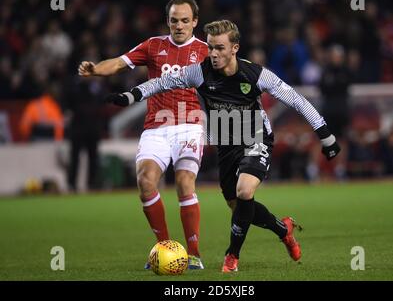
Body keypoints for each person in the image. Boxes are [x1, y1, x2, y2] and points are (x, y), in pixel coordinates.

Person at [105, 20, 340, 272]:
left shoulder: (255, 74)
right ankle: (283, 229)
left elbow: (297, 100)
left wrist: (326, 137)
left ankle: (232, 256)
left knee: (245, 190)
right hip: (226, 142)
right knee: (238, 205)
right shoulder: (199, 72)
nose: (213, 54)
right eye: (210, 47)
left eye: (219, 48)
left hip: (255, 136)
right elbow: (161, 83)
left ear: (235, 48)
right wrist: (130, 96)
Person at [78, 0, 208, 269]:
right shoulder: (153, 46)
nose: (179, 26)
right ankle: (165, 248)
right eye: (174, 20)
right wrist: (96, 70)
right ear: (168, 21)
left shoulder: (206, 51)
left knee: (185, 183)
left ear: (195, 21)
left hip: (189, 125)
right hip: (156, 128)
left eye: (185, 20)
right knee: (146, 182)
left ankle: (194, 253)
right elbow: (119, 62)